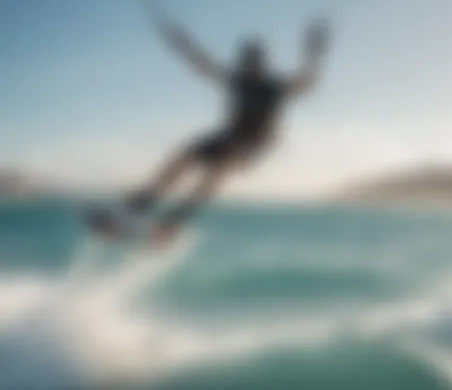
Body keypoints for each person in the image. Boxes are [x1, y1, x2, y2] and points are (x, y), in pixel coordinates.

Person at [88, 13, 332, 245]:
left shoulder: (274, 87)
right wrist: (180, 43)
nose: (250, 68)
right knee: (184, 155)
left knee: (217, 171)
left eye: (254, 64)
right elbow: (203, 64)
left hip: (254, 145)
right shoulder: (237, 81)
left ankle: (174, 222)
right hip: (228, 137)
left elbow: (306, 82)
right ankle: (139, 206)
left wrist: (314, 52)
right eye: (246, 63)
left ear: (263, 64)